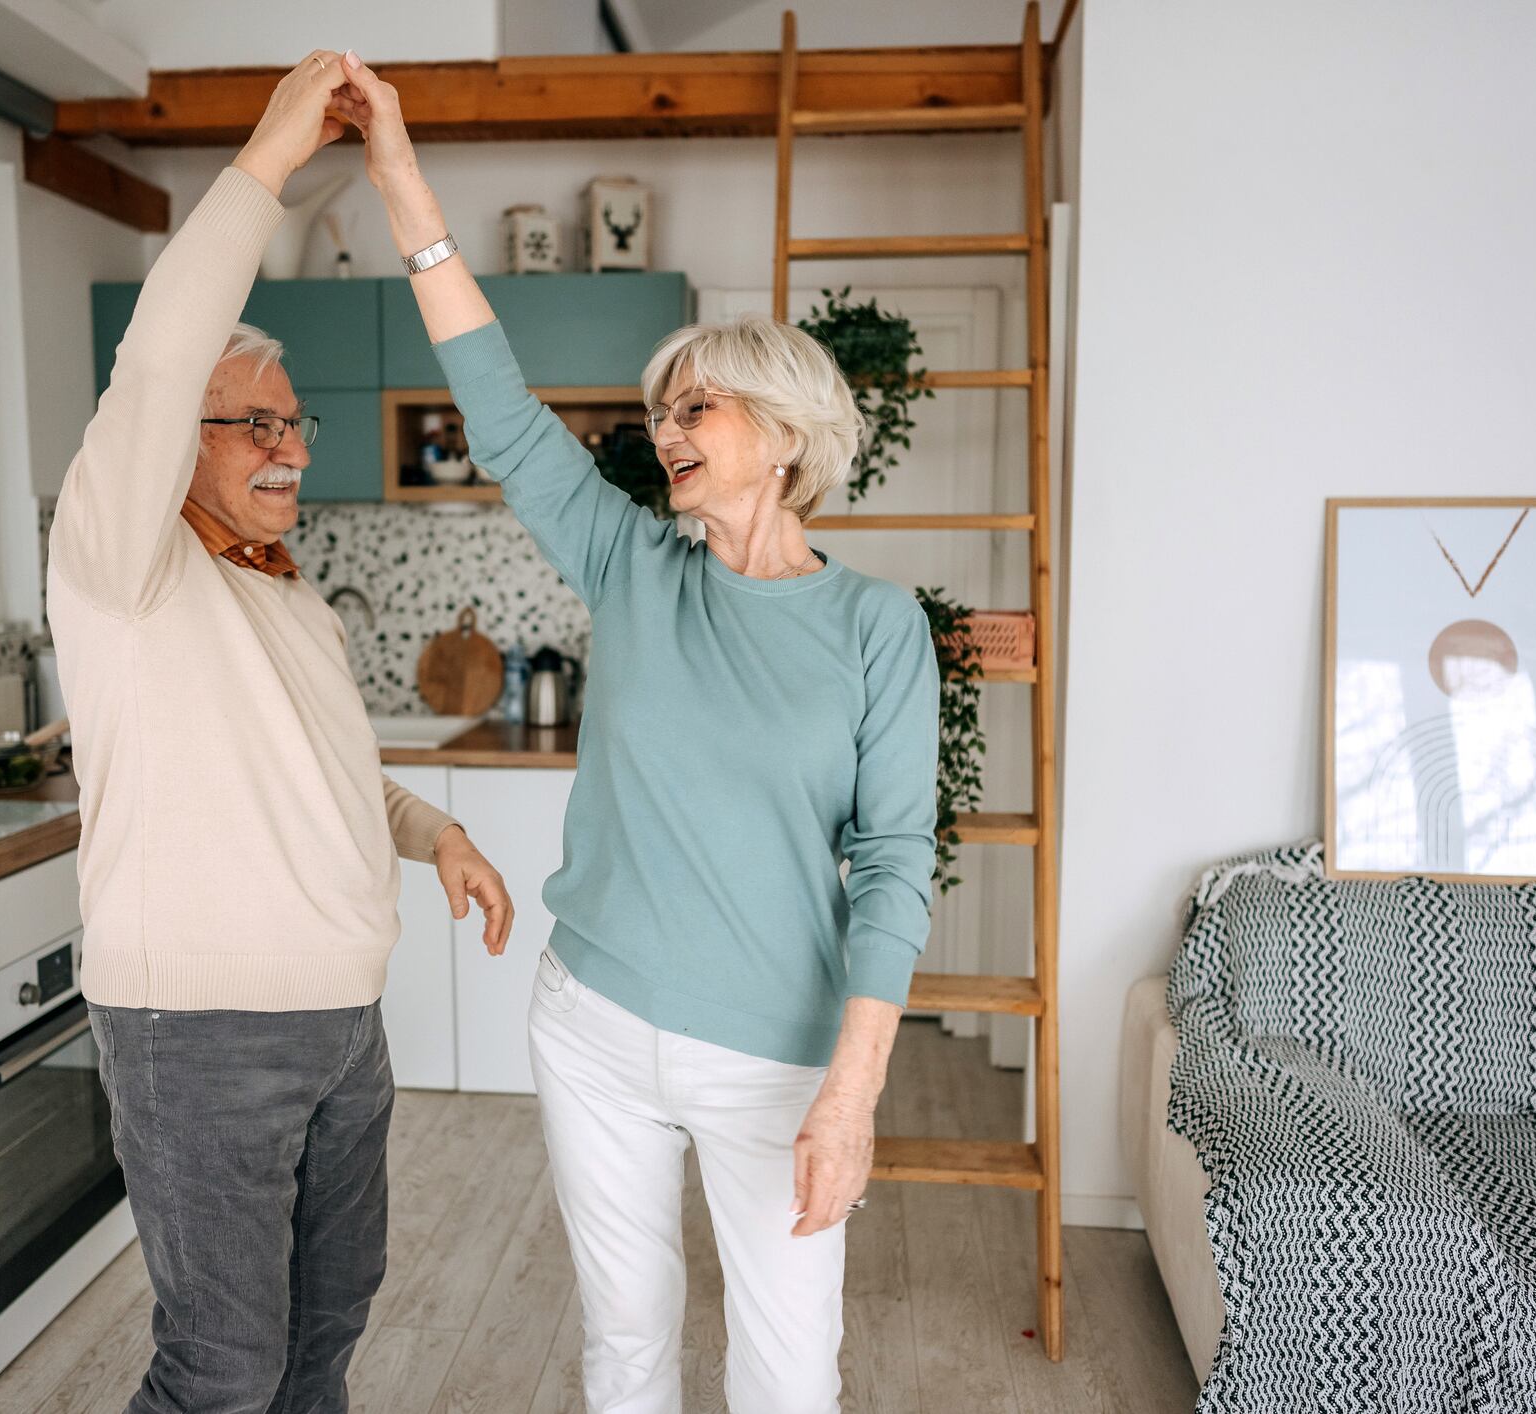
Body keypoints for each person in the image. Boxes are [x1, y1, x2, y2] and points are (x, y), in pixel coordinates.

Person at [333, 52, 941, 1414]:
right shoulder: (630, 563)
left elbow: (896, 862)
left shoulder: (873, 627)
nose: (664, 430)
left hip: (775, 1052)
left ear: (780, 434)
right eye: (659, 410)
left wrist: (849, 1092)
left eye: (695, 408)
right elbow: (499, 410)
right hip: (593, 1021)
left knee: (788, 1375)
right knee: (624, 1343)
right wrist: (398, 180)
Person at [45, 51, 515, 1414]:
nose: (289, 448)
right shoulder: (120, 567)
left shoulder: (289, 595)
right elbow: (160, 356)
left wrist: (436, 832)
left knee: (322, 1337)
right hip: (196, 1030)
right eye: (248, 423)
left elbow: (333, 774)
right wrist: (267, 153)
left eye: (292, 423)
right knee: (223, 1365)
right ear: (171, 444)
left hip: (338, 1029)